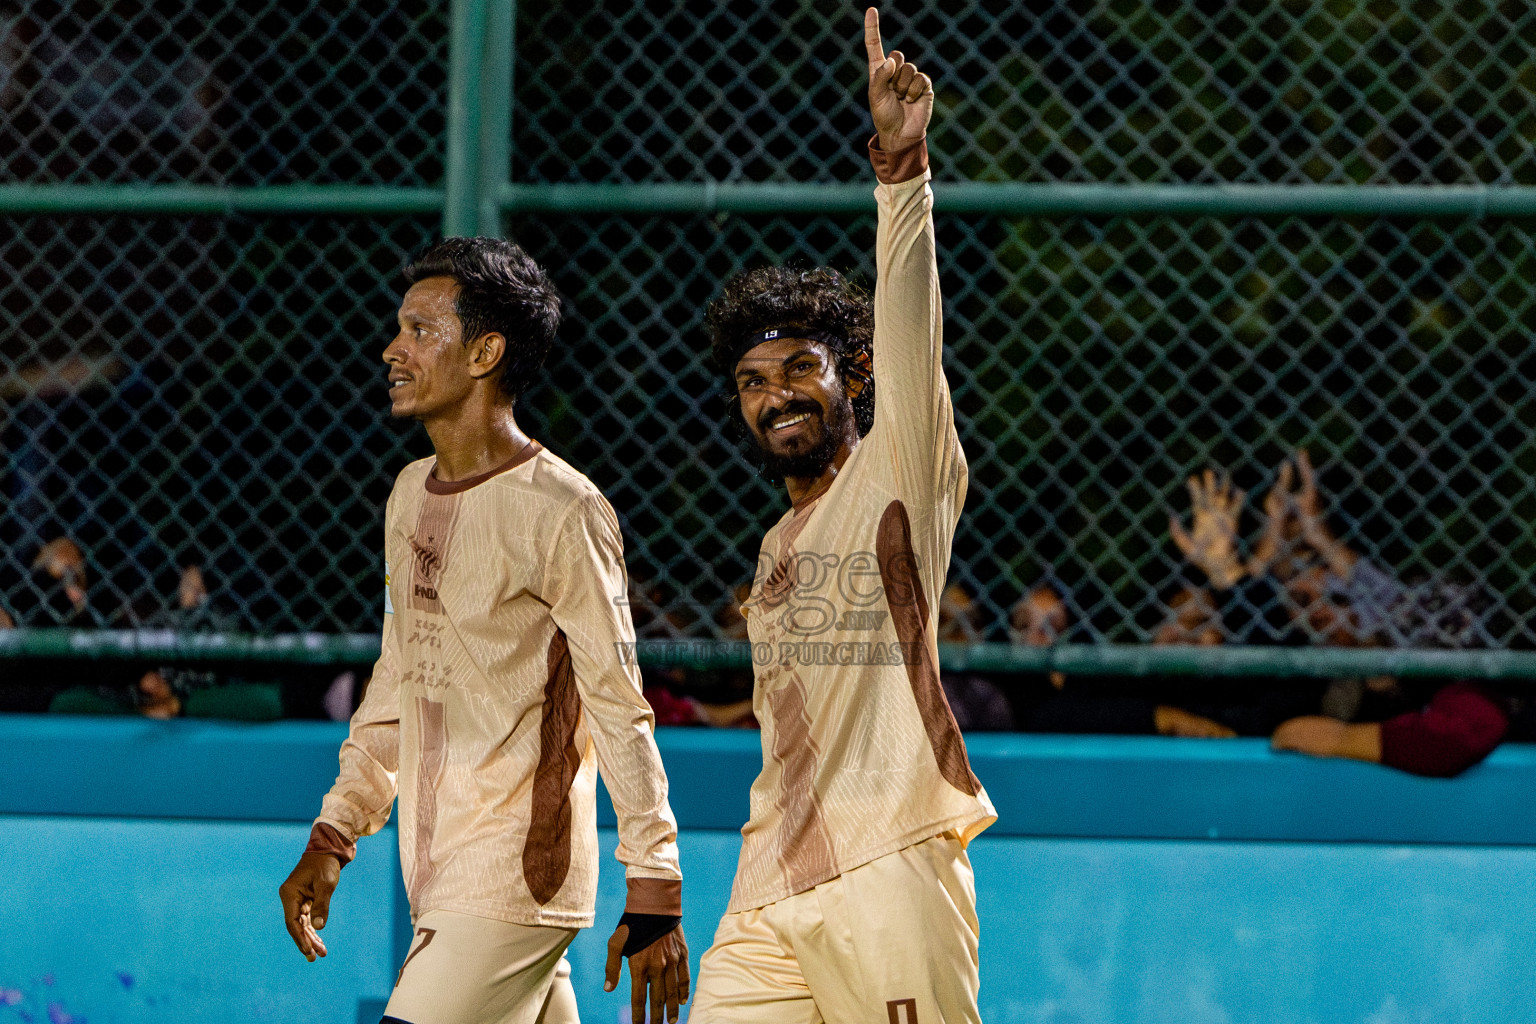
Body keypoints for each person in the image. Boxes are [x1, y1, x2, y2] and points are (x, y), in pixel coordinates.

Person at [277, 237, 689, 1024]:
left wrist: (655, 885)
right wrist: (337, 828)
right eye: (399, 329)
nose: (393, 350)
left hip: (513, 880)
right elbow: (399, 676)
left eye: (420, 331)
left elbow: (619, 703)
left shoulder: (564, 511)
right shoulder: (408, 495)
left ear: (485, 352)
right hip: (438, 871)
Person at [688, 13, 994, 1021]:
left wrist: (901, 174)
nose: (773, 395)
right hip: (767, 888)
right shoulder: (777, 545)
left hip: (890, 866)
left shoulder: (901, 471)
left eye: (797, 371)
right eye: (750, 381)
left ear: (853, 375)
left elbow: (912, 319)